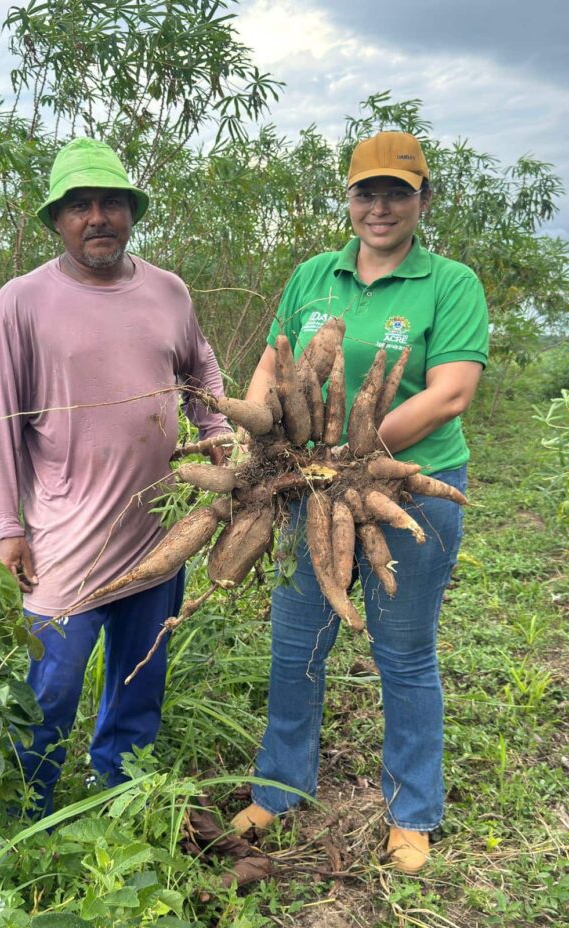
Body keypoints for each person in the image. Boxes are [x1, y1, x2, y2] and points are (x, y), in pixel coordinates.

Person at [230, 131, 489, 873]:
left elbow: (452, 391)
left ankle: (413, 812)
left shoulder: (449, 283)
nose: (380, 207)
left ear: (423, 200)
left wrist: (360, 453)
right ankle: (278, 791)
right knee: (296, 644)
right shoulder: (314, 275)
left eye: (397, 192)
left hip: (409, 490)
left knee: (404, 654)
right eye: (365, 192)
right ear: (347, 199)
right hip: (305, 489)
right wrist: (259, 449)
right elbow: (271, 364)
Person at [0, 138, 230, 815]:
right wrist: (3, 527)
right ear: (57, 220)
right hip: (63, 534)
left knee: (141, 678)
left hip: (157, 532)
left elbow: (198, 366)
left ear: (131, 213)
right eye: (80, 206)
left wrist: (216, 429)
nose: (97, 218)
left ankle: (123, 789)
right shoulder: (21, 302)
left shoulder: (168, 291)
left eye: (111, 203)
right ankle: (31, 808)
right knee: (51, 688)